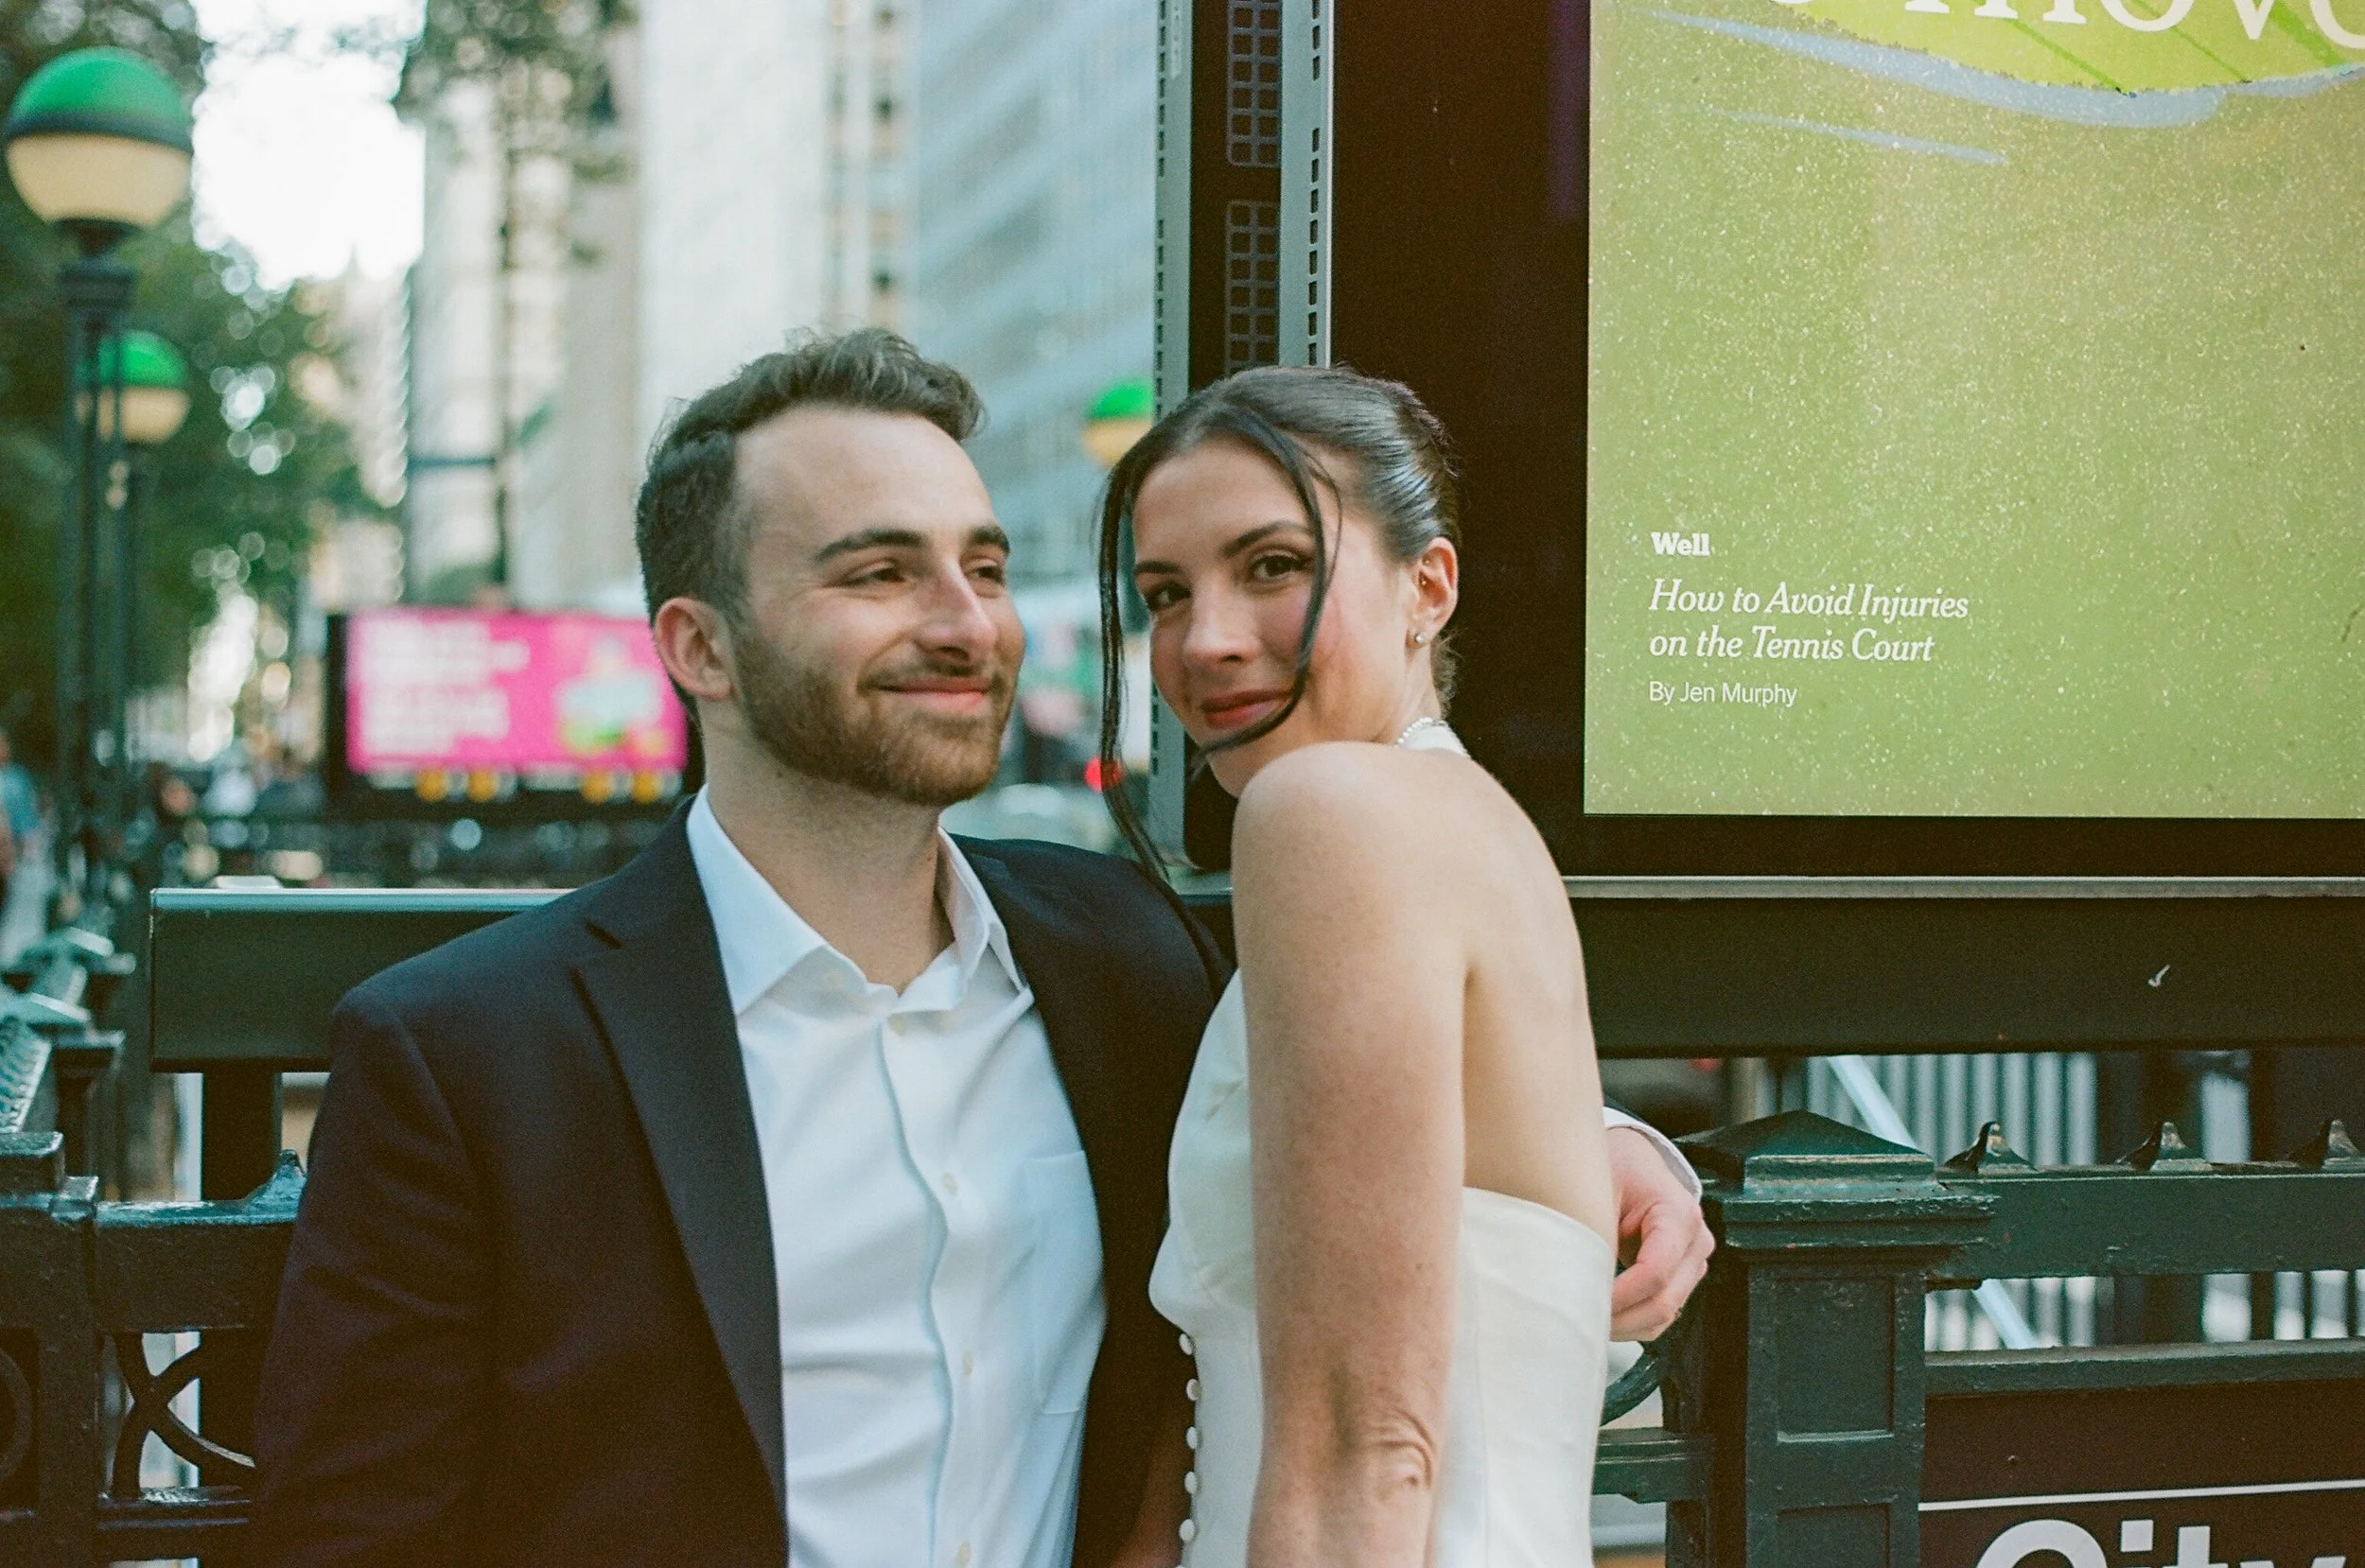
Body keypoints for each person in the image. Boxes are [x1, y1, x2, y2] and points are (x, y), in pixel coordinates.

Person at [252, 331, 1708, 1568]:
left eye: (986, 565)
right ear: (699, 647)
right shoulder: (467, 1055)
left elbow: (1376, 1127)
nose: (966, 624)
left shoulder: (1124, 960)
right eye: (880, 573)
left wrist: (1596, 1144)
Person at [1100, 364, 1680, 1566]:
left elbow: (1365, 1456)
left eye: (1273, 566)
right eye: (1165, 593)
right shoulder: (1465, 822)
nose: (1205, 641)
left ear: (1429, 586)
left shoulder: (1330, 810)